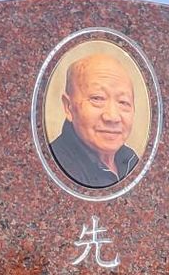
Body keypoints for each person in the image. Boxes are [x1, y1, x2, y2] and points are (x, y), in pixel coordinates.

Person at [48, 51, 139, 189]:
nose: (112, 117)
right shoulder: (55, 167)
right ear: (68, 107)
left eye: (123, 102)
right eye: (97, 98)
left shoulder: (131, 160)